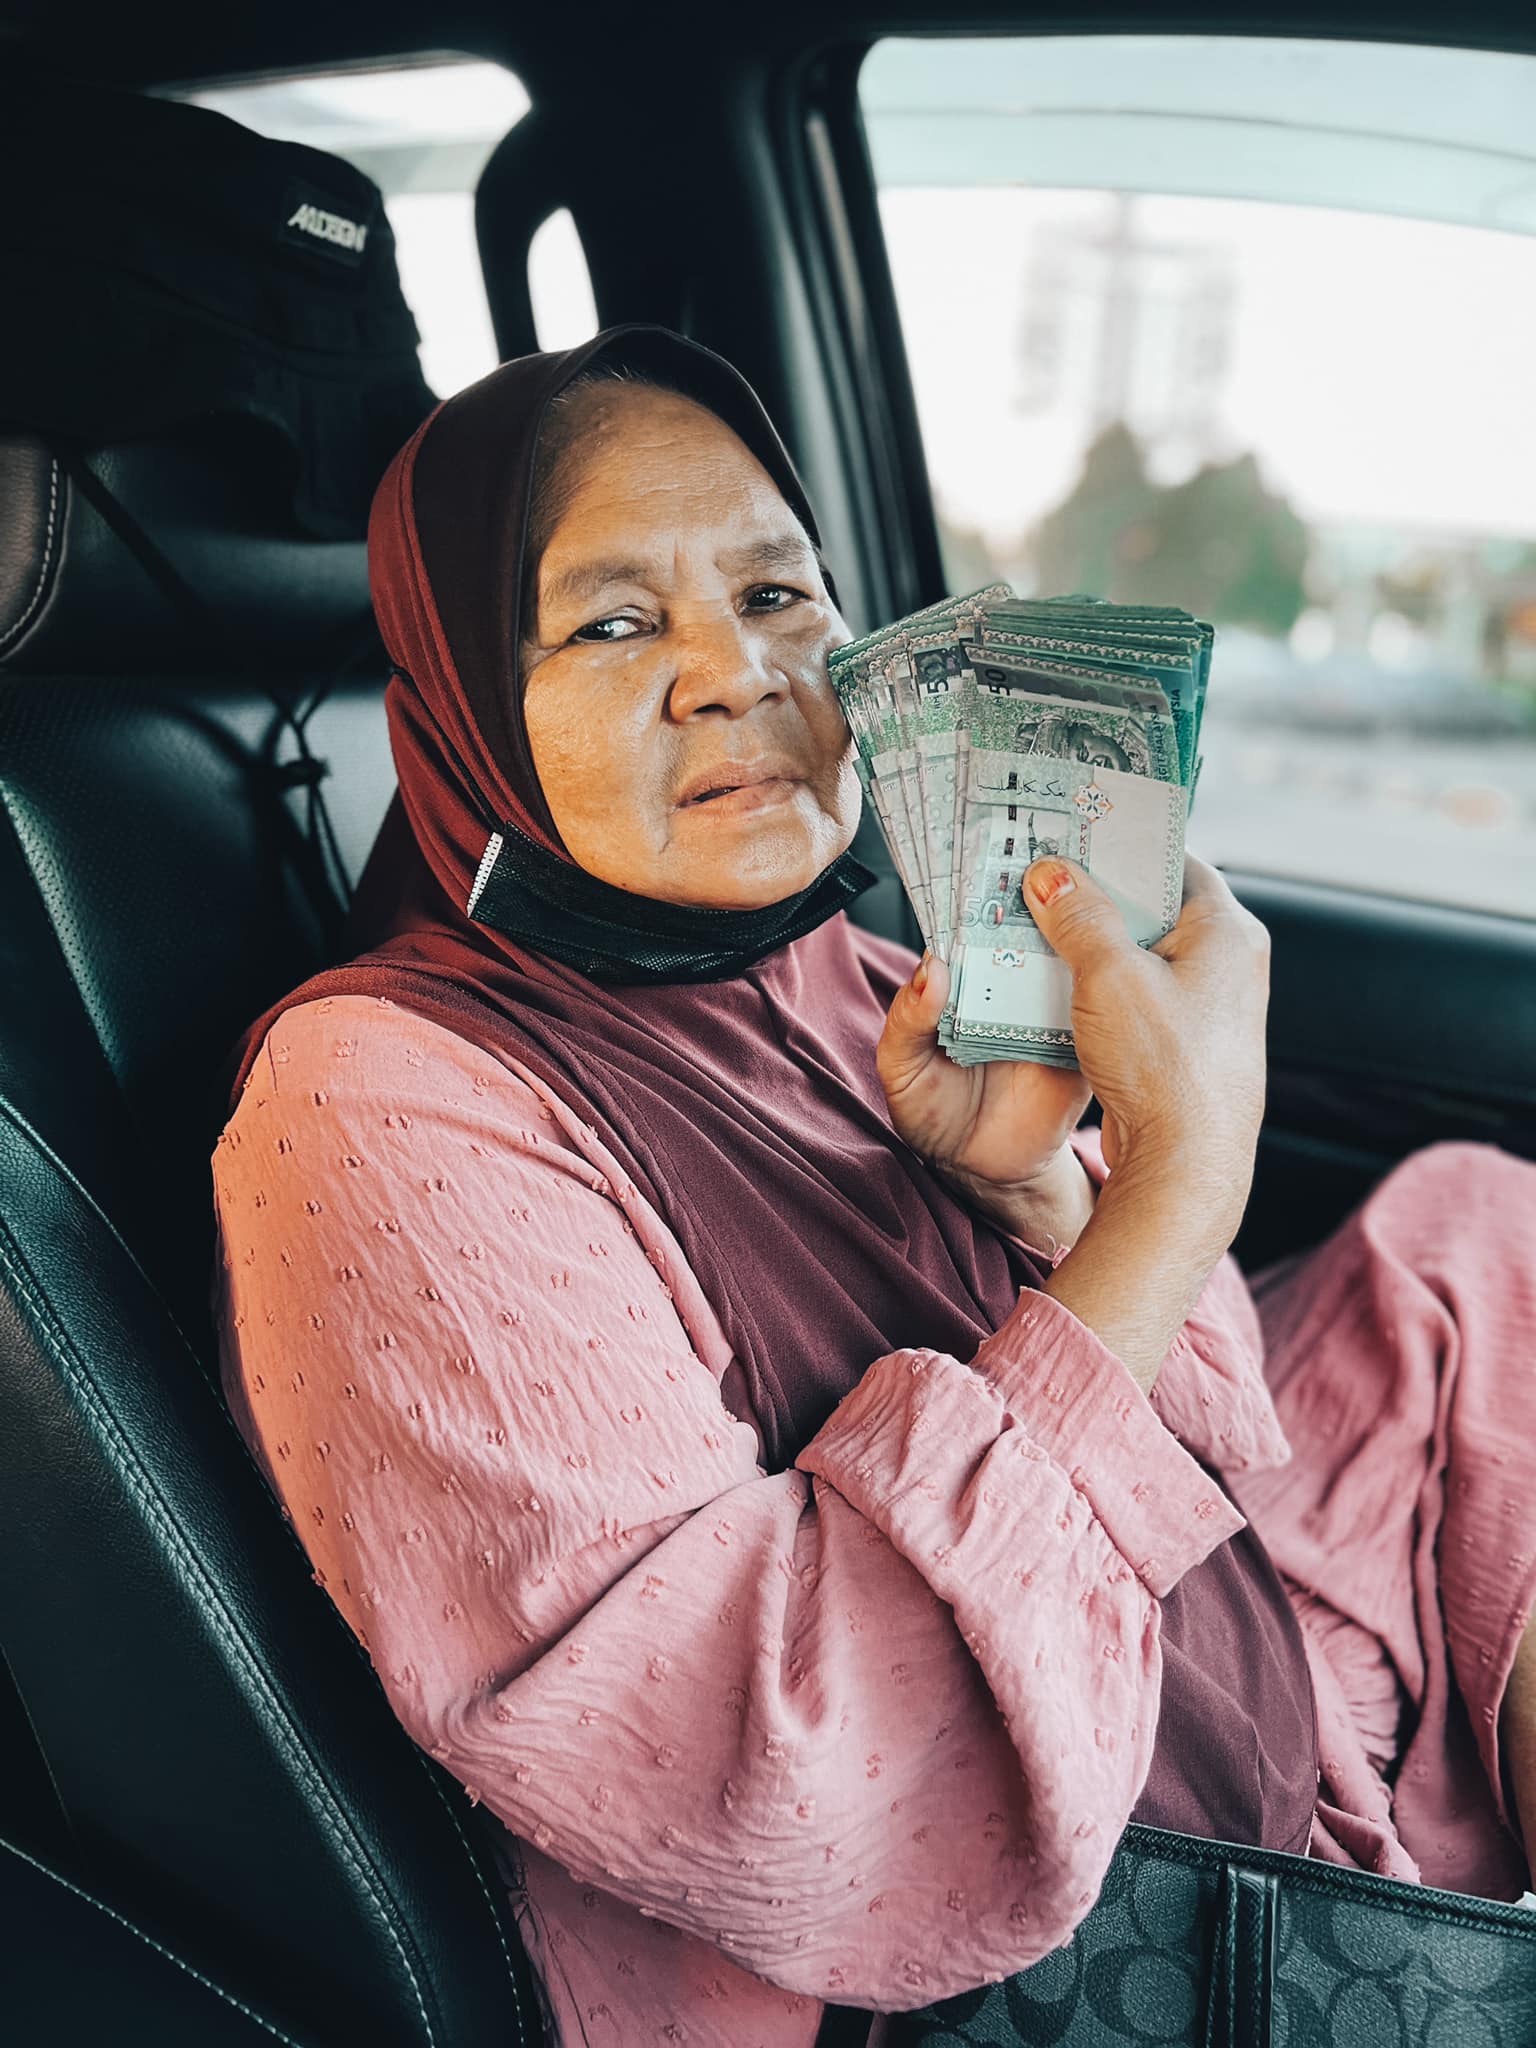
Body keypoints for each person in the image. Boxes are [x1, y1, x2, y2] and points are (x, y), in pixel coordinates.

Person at [213, 324, 1536, 2048]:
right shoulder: (378, 1107)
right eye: (613, 623)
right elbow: (811, 1777)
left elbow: (1212, 1443)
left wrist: (1041, 1208)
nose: (731, 673)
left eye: (777, 596)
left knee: (1479, 1229)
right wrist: (1170, 1193)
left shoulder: (837, 961)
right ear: (466, 697)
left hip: (1223, 1680)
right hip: (1010, 1947)